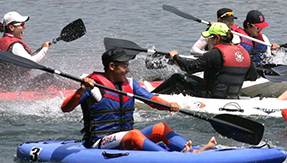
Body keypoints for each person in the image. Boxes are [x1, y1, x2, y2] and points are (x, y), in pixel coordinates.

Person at [61, 48, 216, 153]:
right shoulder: (93, 86)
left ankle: (192, 150)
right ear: (112, 66)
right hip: (99, 142)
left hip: (125, 137)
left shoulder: (130, 84)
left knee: (161, 127)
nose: (128, 69)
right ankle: (169, 157)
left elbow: (151, 99)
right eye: (124, 66)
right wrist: (81, 91)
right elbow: (65, 108)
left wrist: (169, 105)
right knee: (135, 134)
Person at [154, 23, 258, 99]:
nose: (208, 40)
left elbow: (188, 68)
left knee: (177, 78)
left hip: (211, 96)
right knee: (191, 79)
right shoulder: (244, 53)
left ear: (217, 38)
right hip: (233, 96)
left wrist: (175, 56)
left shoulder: (214, 54)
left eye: (210, 37)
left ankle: (151, 98)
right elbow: (253, 77)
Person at [0, 11, 56, 91]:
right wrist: (45, 48)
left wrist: (3, 72)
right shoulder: (15, 45)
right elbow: (32, 62)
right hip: (20, 87)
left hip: (6, 86)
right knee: (49, 76)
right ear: (11, 27)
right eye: (22, 25)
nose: (24, 27)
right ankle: (70, 91)